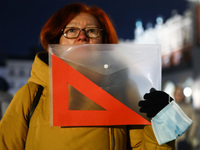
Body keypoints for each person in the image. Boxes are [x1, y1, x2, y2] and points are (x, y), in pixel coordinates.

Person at [0, 3, 191, 149]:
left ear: (104, 43)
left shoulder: (125, 92)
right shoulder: (32, 94)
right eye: (71, 30)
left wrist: (160, 122)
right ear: (56, 41)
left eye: (92, 31)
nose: (82, 37)